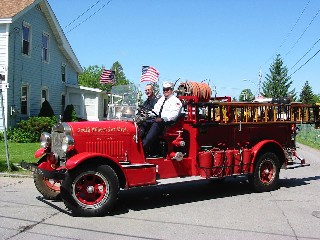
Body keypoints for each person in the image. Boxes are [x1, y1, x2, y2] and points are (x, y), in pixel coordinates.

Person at [140, 82, 182, 149]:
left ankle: (143, 146)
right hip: (157, 119)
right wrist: (147, 114)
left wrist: (163, 119)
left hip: (167, 123)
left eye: (167, 89)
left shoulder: (176, 101)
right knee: (143, 122)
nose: (165, 91)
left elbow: (174, 115)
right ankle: (137, 140)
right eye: (164, 89)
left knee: (156, 124)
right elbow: (155, 110)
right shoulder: (161, 99)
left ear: (171, 90)